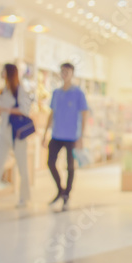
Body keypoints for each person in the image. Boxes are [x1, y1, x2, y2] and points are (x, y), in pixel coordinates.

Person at [42, 63, 88, 209]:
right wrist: (45, 133)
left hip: (72, 136)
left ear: (72, 73)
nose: (64, 74)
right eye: (62, 71)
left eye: (67, 71)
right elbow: (52, 114)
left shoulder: (78, 93)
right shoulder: (56, 93)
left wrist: (81, 136)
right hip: (56, 134)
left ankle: (67, 194)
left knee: (70, 166)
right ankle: (60, 190)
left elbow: (84, 114)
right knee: (50, 163)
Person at [0, 64, 32, 209]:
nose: (2, 73)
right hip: (3, 131)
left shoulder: (20, 90)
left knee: (22, 167)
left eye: (4, 71)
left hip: (16, 133)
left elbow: (25, 110)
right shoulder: (4, 90)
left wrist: (5, 109)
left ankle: (24, 198)